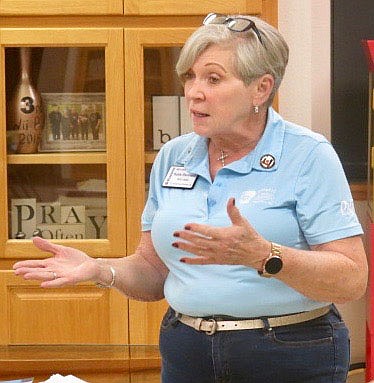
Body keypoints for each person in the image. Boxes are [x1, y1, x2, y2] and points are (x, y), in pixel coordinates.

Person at [13, 13, 368, 383]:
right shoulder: (174, 155)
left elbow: (351, 279)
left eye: (213, 78)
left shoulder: (308, 155)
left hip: (288, 350)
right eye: (190, 76)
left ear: (261, 89)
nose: (193, 92)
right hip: (187, 351)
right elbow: (152, 271)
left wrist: (264, 256)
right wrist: (102, 269)